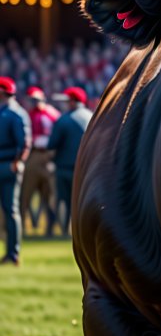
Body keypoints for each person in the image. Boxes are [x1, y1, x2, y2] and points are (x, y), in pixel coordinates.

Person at [47, 87, 92, 235]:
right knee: (81, 201)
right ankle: (81, 230)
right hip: (85, 168)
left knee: (64, 201)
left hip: (64, 167)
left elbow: (52, 144)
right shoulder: (91, 116)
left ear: (72, 101)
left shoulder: (64, 119)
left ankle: (65, 230)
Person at [0, 76, 31, 265]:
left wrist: (17, 162)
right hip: (6, 164)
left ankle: (13, 253)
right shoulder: (8, 112)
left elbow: (25, 143)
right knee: (9, 211)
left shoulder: (15, 113)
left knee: (11, 211)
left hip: (8, 165)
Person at [22, 86, 60, 236]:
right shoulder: (28, 115)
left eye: (36, 99)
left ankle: (51, 228)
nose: (34, 102)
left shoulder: (52, 114)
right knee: (25, 195)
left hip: (48, 157)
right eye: (32, 100)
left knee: (49, 196)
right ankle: (23, 228)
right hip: (33, 156)